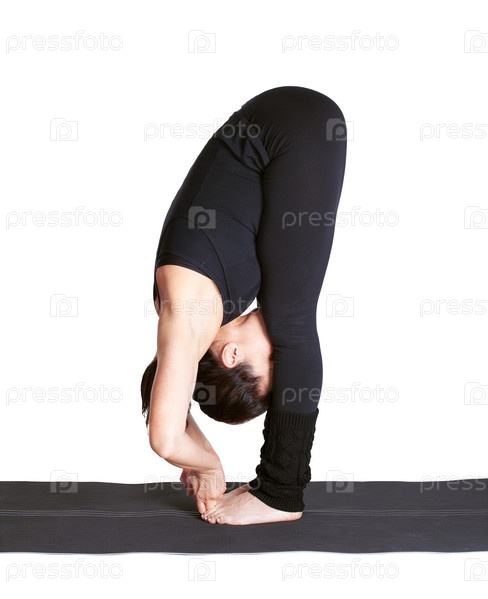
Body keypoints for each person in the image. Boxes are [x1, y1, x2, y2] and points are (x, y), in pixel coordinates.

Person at [141, 85, 347, 525]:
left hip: (292, 127)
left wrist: (209, 466)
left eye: (274, 363)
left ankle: (280, 492)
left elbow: (164, 437)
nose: (279, 354)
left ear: (233, 354)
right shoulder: (194, 319)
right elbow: (165, 390)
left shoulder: (188, 313)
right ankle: (278, 490)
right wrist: (198, 448)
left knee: (293, 325)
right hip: (284, 123)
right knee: (287, 316)